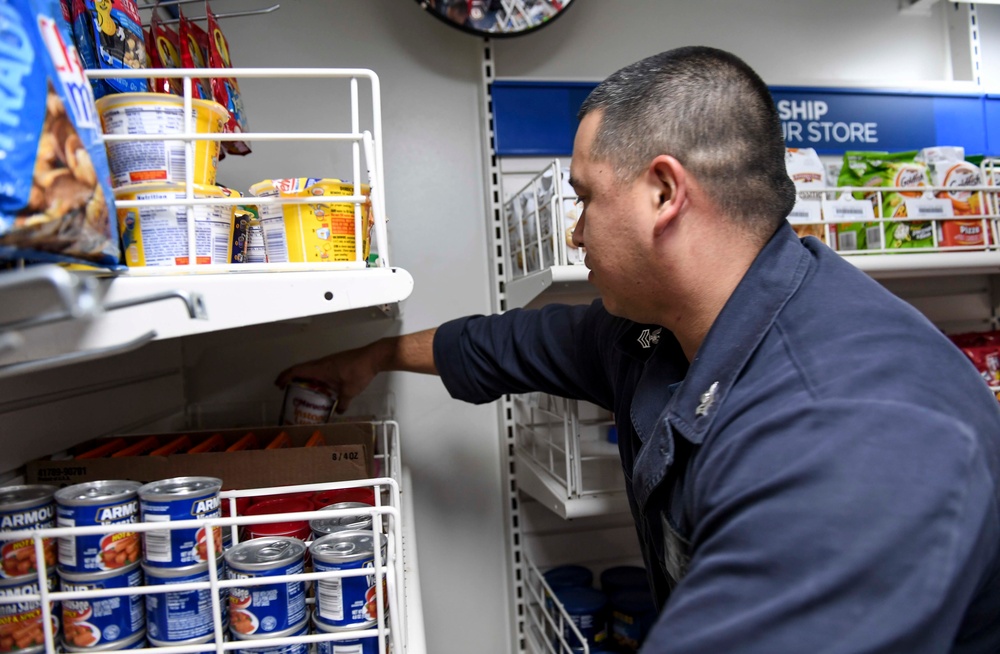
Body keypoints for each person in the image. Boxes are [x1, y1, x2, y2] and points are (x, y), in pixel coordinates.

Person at [276, 46, 1000, 653]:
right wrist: (370, 356)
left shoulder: (850, 433)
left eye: (586, 197)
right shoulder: (665, 327)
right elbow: (515, 342)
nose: (574, 231)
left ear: (662, 193)